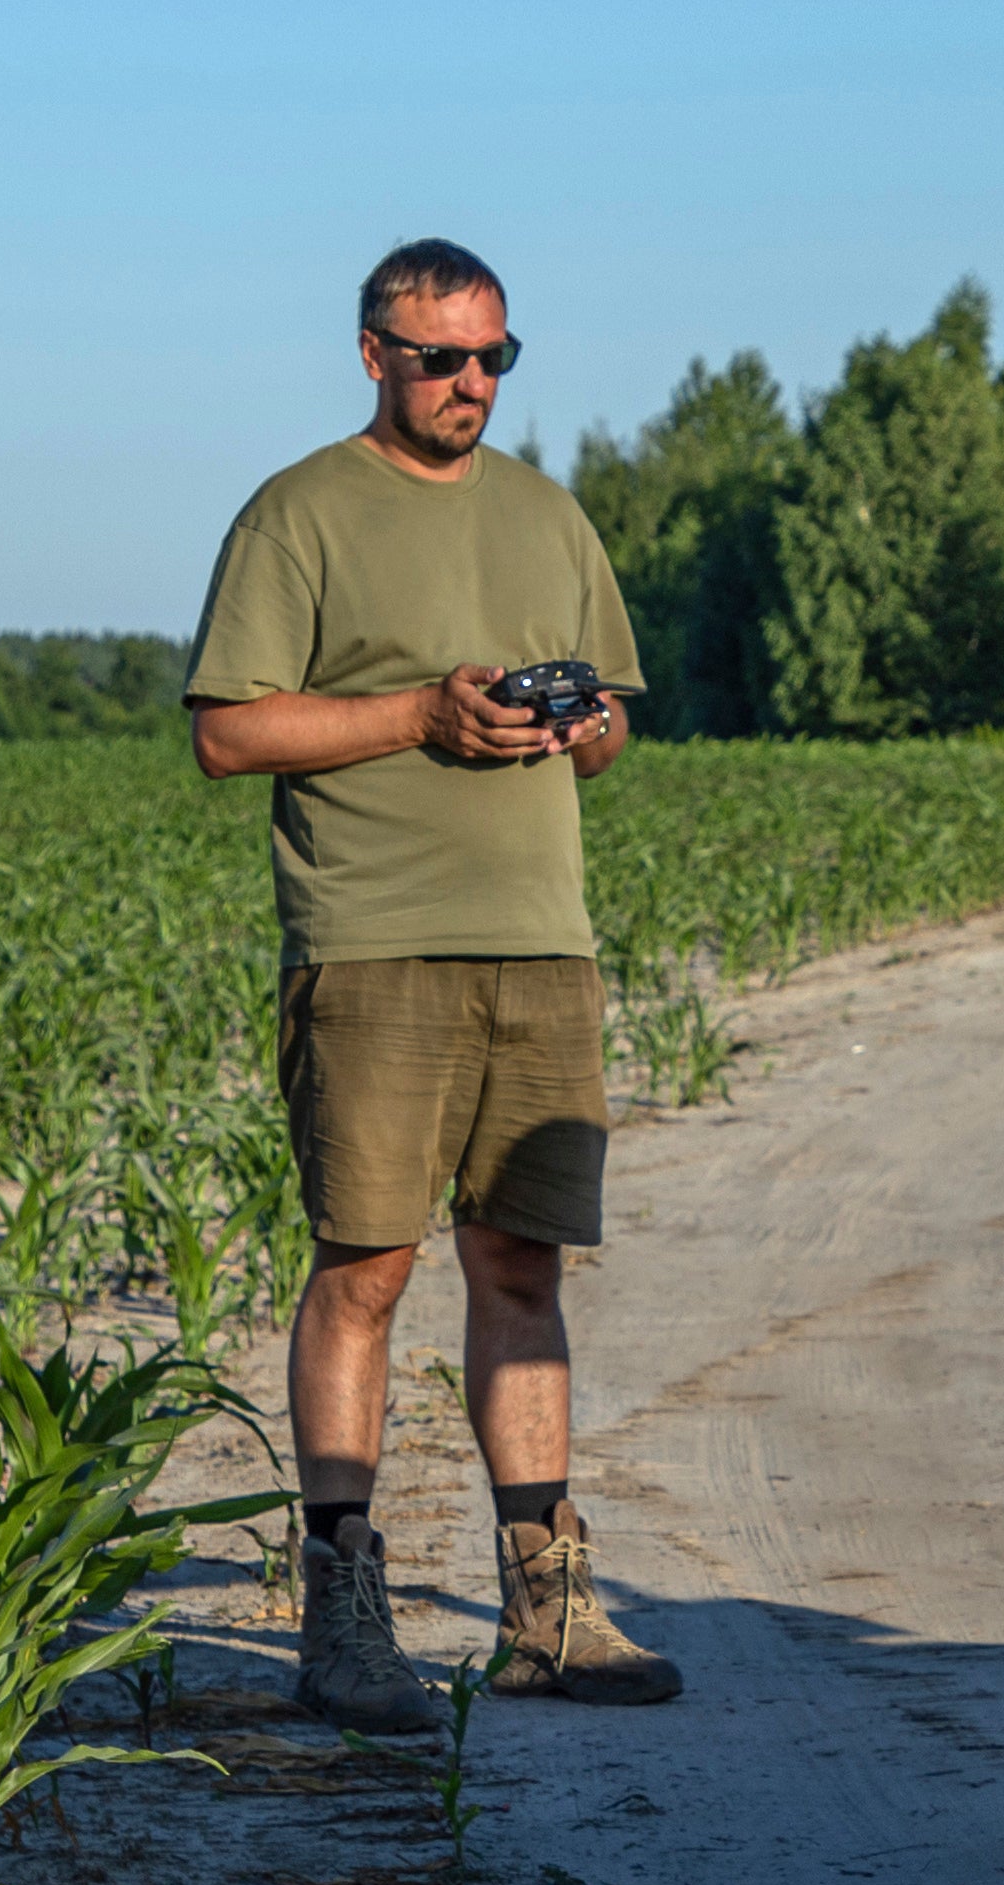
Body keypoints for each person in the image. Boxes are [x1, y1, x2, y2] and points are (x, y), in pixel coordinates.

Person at [186, 238, 684, 1731]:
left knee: (521, 1267)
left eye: (494, 359)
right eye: (439, 359)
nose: (470, 384)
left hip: (541, 941)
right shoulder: (299, 514)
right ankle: (342, 1620)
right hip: (370, 940)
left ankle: (548, 1608)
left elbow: (611, 731)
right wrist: (421, 712)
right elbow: (226, 733)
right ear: (371, 355)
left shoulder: (549, 516)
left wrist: (577, 723)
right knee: (368, 1268)